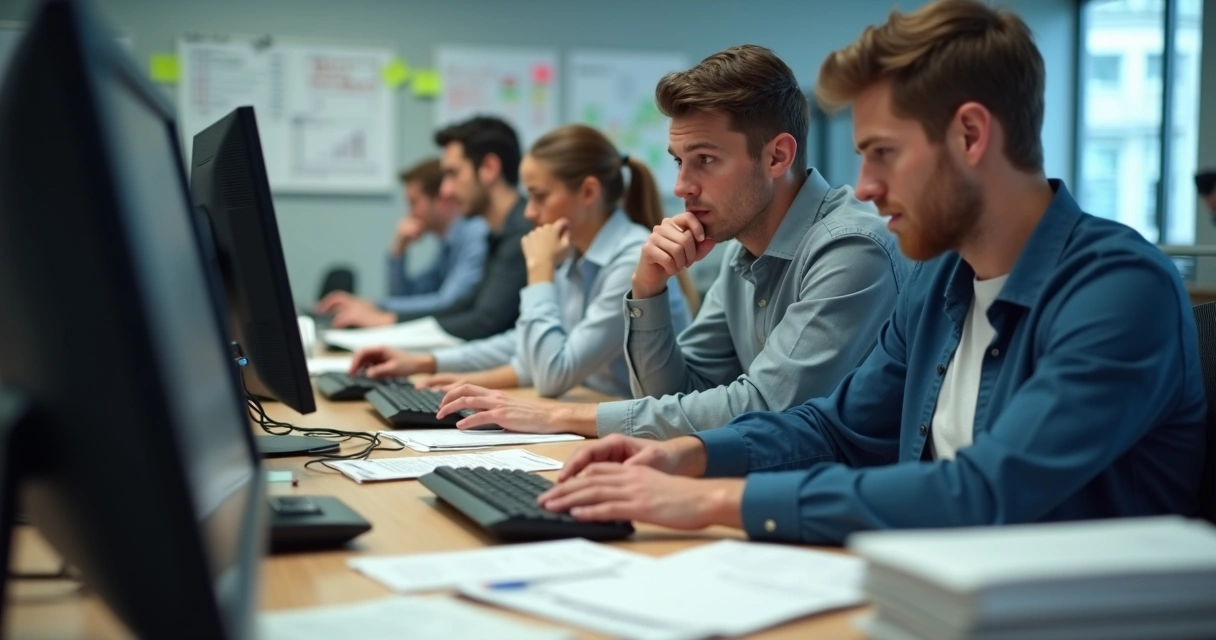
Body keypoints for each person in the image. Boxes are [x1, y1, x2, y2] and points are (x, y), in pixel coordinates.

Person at [535, 0, 1206, 544]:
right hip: (934, 587)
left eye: (883, 153)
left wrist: (710, 498)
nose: (866, 186)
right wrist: (691, 455)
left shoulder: (1120, 289)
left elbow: (983, 491)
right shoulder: (942, 280)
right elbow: (834, 426)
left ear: (970, 136)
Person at [433, 45, 906, 437]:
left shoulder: (850, 248)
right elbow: (677, 394)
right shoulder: (742, 249)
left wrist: (562, 417)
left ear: (777, 156)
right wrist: (648, 291)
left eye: (705, 160)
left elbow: (764, 407)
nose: (681, 186)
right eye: (679, 161)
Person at [348, 125, 695, 397]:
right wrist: (426, 364)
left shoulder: (630, 260)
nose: (529, 212)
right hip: (590, 410)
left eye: (539, 196)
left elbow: (553, 373)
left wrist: (539, 271)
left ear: (588, 193)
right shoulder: (575, 252)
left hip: (632, 429)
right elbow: (527, 346)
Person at [329, 116, 533, 340]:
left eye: (453, 174)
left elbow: (484, 321)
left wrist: (386, 321)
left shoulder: (522, 232)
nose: (446, 191)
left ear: (489, 168)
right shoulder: (496, 233)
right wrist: (388, 318)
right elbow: (464, 305)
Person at [315, 159, 488, 328]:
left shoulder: (475, 233)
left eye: (414, 203)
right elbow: (406, 295)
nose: (409, 213)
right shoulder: (448, 243)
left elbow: (448, 303)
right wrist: (398, 250)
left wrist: (377, 308)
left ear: (441, 199)